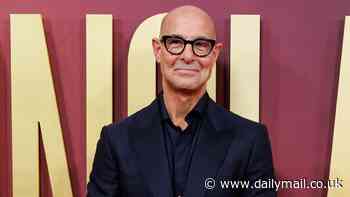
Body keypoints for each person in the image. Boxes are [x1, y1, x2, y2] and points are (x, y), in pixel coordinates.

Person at [87, 5, 276, 197]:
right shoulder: (117, 141)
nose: (187, 56)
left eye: (200, 44)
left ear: (215, 54)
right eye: (176, 42)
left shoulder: (250, 140)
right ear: (158, 50)